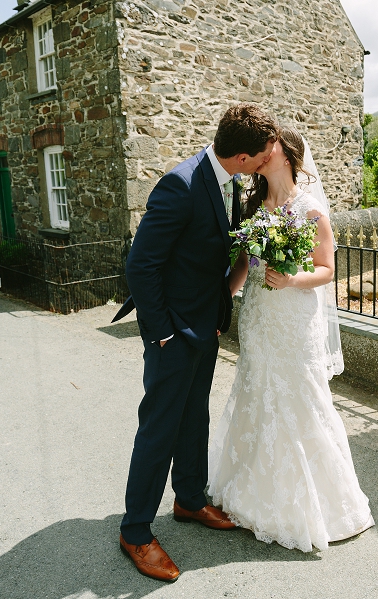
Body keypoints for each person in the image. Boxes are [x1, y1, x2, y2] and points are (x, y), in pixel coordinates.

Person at [112, 104, 279, 582]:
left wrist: (219, 313)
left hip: (206, 328)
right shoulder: (180, 184)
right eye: (263, 153)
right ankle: (136, 532)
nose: (267, 159)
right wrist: (163, 332)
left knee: (194, 419)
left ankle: (188, 500)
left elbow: (207, 259)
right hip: (173, 335)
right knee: (158, 430)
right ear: (243, 156)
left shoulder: (226, 180)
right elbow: (140, 265)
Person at [207, 127, 374, 553]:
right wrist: (223, 297)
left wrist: (294, 278)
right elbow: (245, 262)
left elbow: (327, 270)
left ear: (287, 154)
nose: (264, 153)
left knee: (301, 398)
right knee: (256, 392)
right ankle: (251, 491)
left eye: (272, 146)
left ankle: (316, 504)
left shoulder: (311, 208)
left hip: (295, 318)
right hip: (260, 317)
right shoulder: (253, 205)